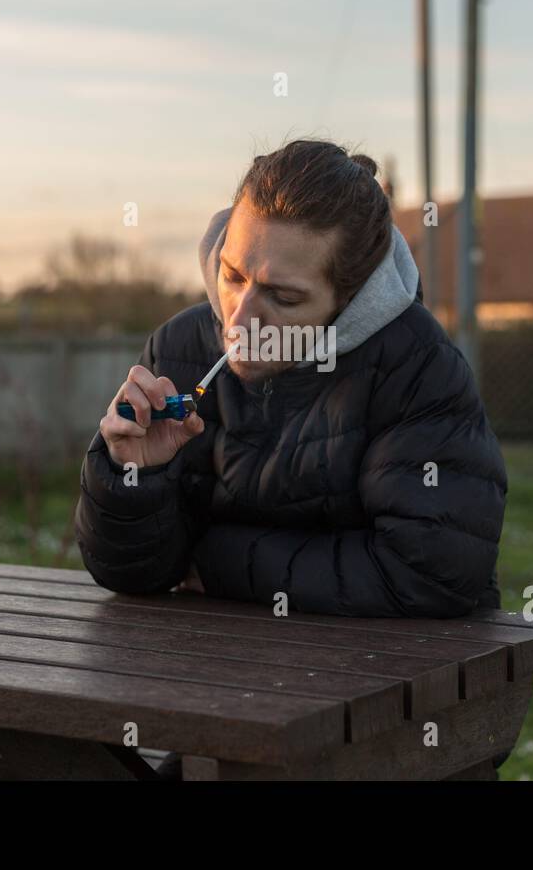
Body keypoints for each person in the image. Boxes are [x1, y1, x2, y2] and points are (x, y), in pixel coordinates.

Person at [73, 138, 507, 618]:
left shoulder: (417, 367)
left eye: (283, 297)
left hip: (408, 661)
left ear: (353, 298)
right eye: (233, 276)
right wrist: (133, 476)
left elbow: (429, 574)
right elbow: (132, 575)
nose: (239, 321)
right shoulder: (179, 350)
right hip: (214, 658)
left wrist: (217, 562)